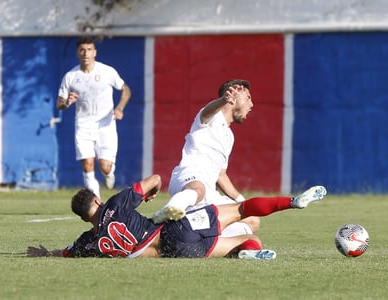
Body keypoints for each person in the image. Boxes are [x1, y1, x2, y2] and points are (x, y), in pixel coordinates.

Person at [27, 175, 327, 260]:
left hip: (178, 253)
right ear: (96, 200)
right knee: (242, 210)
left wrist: (45, 253)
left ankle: (247, 254)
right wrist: (151, 192)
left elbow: (64, 252)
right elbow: (154, 178)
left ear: (83, 218)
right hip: (172, 229)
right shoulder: (115, 205)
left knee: (250, 239)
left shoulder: (88, 242)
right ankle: (292, 201)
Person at [151, 79, 258, 237]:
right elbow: (207, 112)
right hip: (189, 178)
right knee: (198, 189)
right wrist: (223, 100)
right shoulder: (211, 117)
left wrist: (242, 201)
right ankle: (165, 214)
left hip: (210, 194)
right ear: (233, 98)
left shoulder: (229, 136)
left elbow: (221, 176)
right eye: (248, 97)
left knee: (252, 219)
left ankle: (197, 235)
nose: (252, 104)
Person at [57, 36, 132, 198]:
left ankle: (109, 172)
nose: (86, 53)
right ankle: (97, 205)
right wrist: (67, 103)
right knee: (88, 164)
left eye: (89, 49)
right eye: (82, 50)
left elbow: (125, 89)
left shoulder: (107, 71)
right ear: (77, 52)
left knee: (104, 166)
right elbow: (60, 103)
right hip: (83, 125)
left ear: (95, 52)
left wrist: (119, 108)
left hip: (106, 125)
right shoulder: (71, 76)